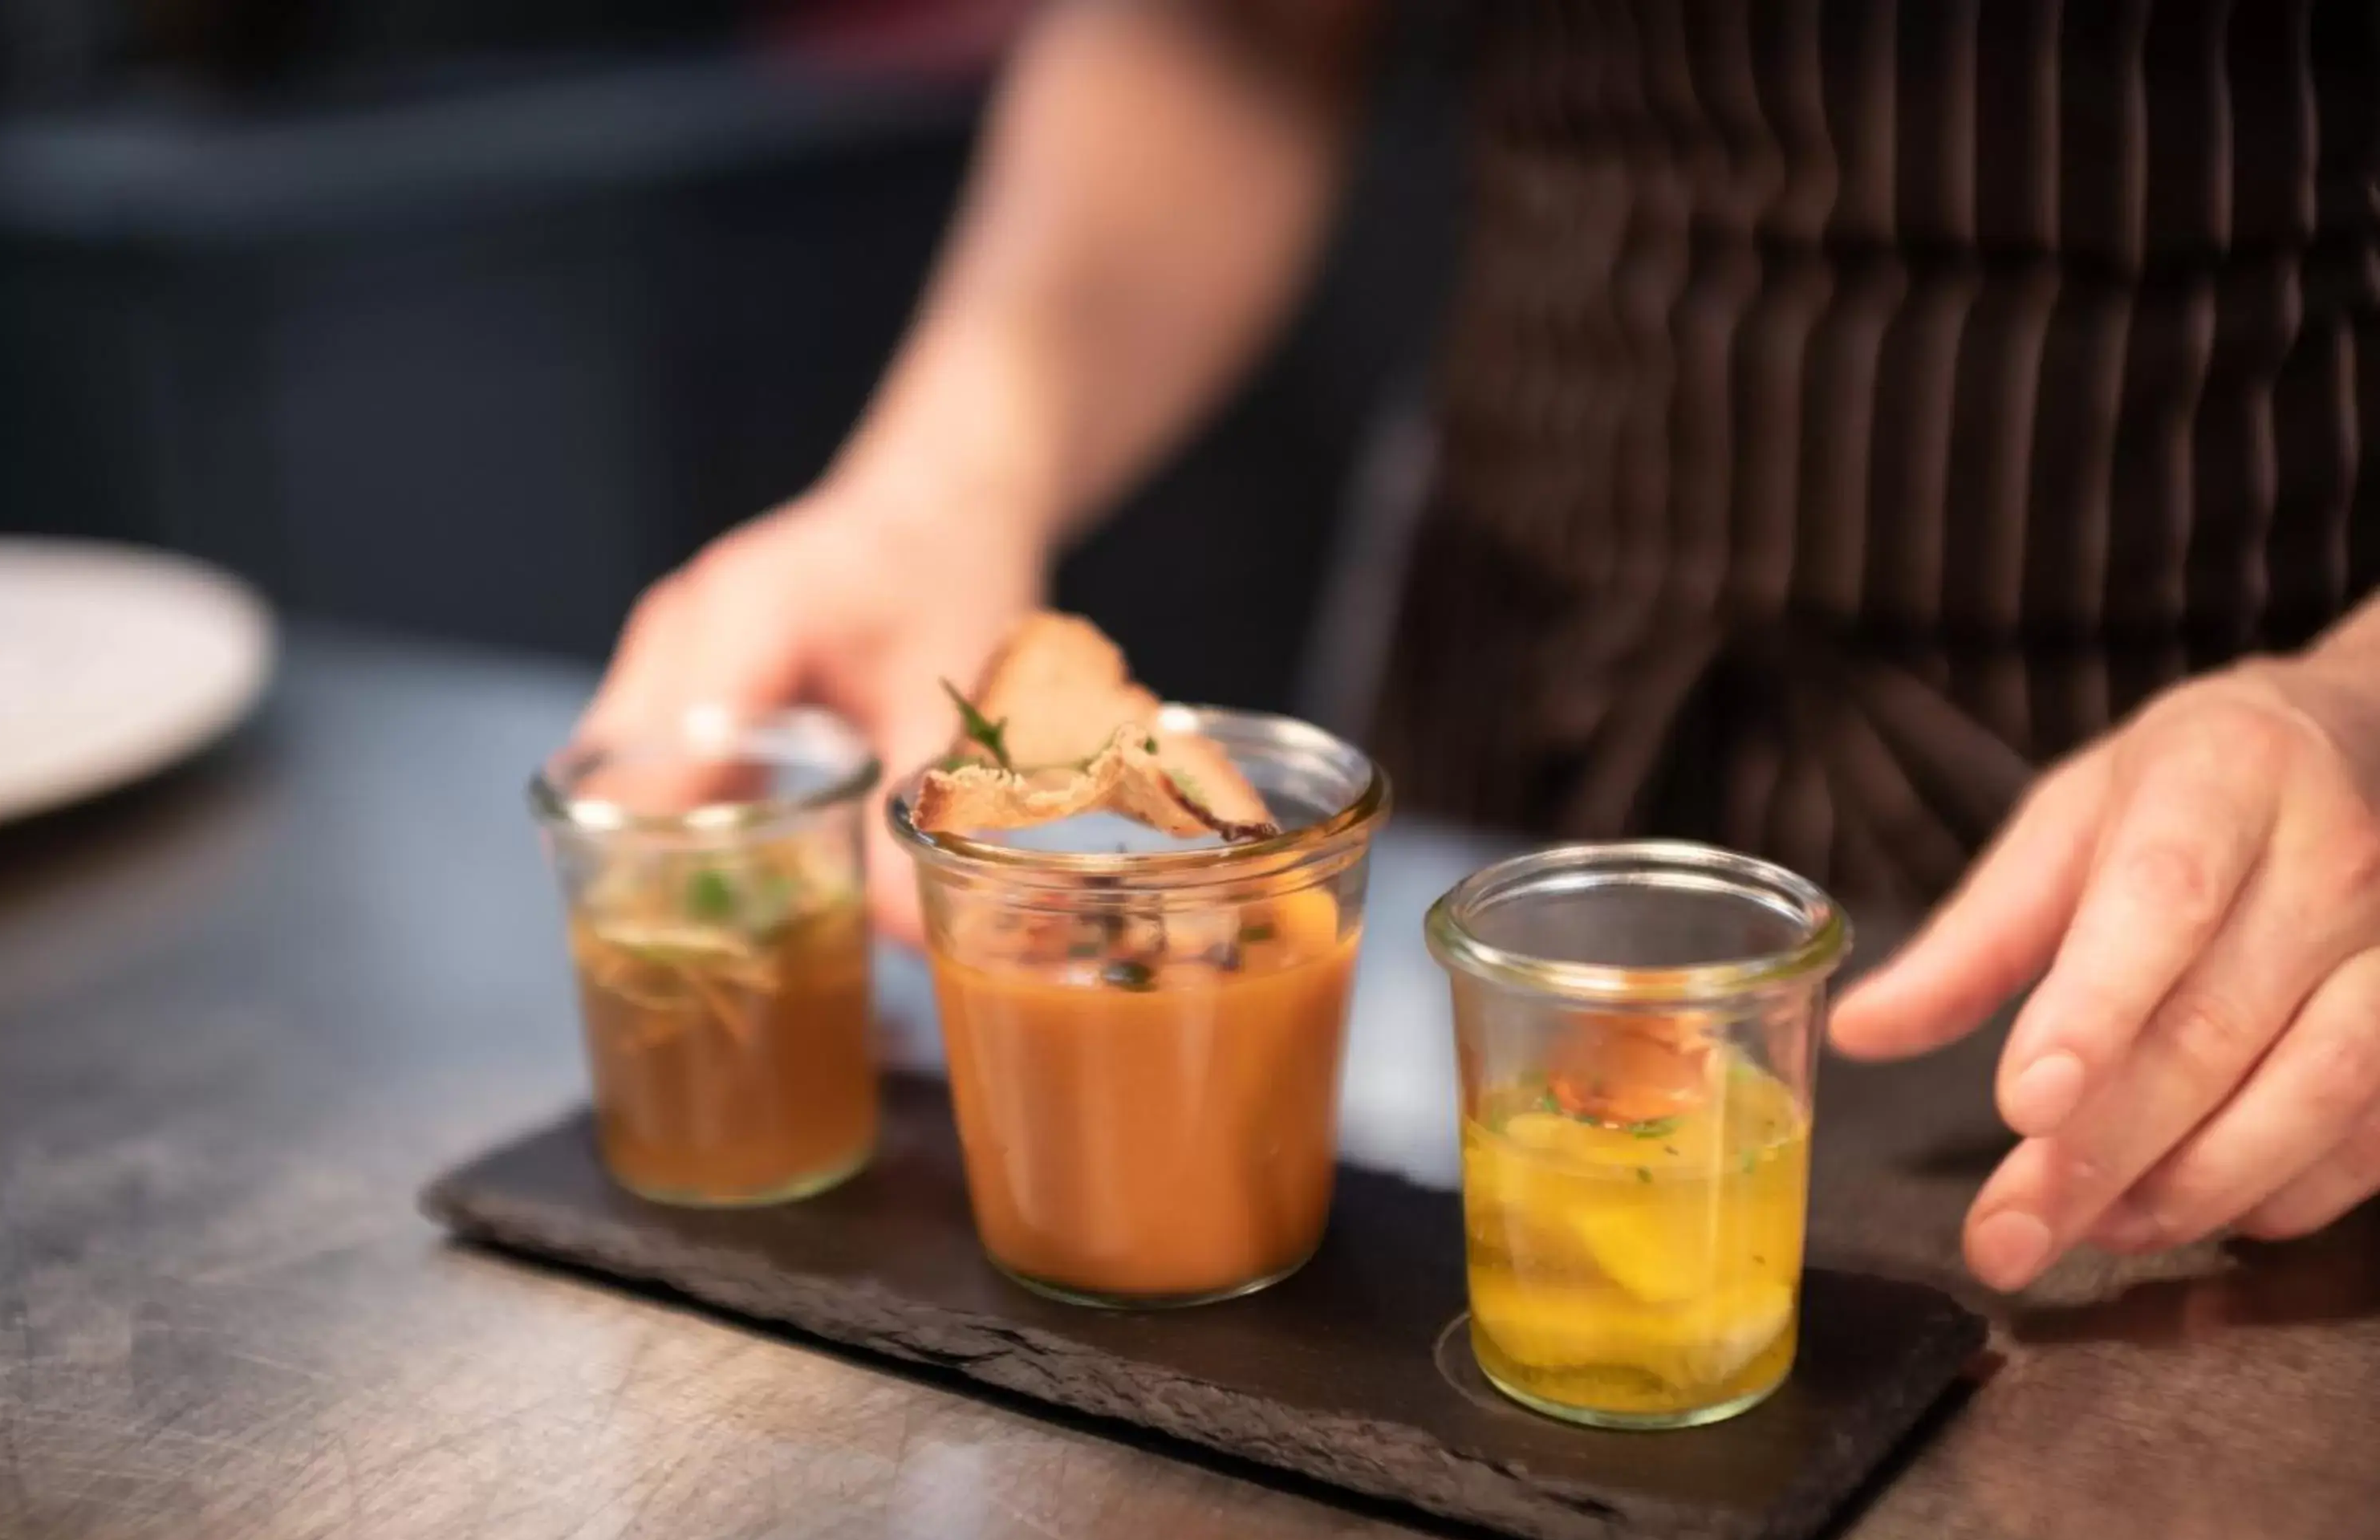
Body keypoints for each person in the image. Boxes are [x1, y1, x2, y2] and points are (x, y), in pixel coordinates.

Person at [579, 1, 2380, 1294]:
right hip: (1518, 698)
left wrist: (2354, 707)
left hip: (2220, 838)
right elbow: (1244, 35)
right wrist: (947, 471)